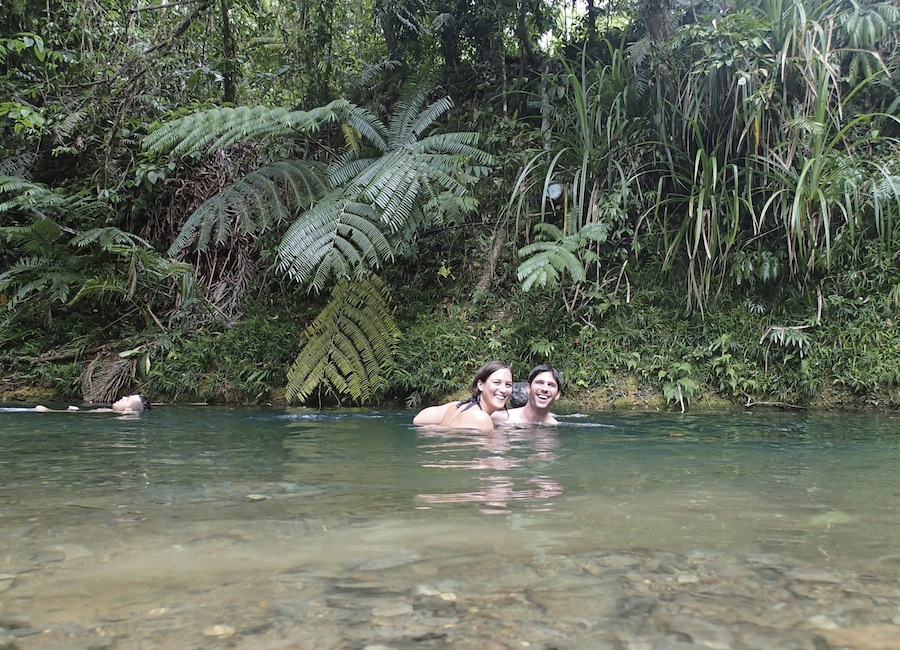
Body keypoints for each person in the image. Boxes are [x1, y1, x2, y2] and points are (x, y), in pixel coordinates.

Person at [413, 360, 513, 431]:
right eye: (496, 382)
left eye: (508, 384)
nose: (503, 390)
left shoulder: (457, 406)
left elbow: (418, 419)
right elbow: (488, 458)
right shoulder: (480, 417)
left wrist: (441, 429)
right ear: (480, 385)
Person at [492, 364, 562, 426]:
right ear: (528, 388)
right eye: (539, 383)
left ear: (557, 395)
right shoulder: (500, 418)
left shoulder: (553, 425)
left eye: (551, 385)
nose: (544, 389)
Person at [33, 394, 151, 413]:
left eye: (127, 400)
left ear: (128, 410)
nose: (124, 397)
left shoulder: (122, 414)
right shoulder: (110, 412)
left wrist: (49, 411)